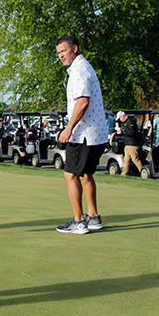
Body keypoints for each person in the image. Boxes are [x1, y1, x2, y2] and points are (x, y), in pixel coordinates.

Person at [55, 35, 108, 234]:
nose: (61, 55)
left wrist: (68, 129)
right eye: (59, 53)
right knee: (85, 174)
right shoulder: (84, 67)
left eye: (64, 51)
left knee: (70, 175)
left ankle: (79, 221)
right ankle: (93, 217)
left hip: (82, 134)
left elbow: (83, 101)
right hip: (95, 134)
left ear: (74, 48)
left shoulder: (78, 70)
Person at [115, 111, 143, 176]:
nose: (120, 120)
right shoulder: (126, 122)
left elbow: (132, 132)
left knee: (135, 159)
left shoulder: (130, 121)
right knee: (126, 160)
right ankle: (124, 173)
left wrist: (123, 132)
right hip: (128, 144)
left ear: (123, 116)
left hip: (132, 144)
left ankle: (142, 171)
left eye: (120, 118)